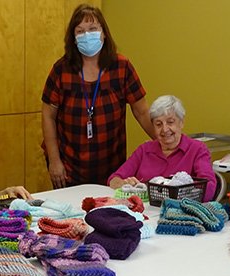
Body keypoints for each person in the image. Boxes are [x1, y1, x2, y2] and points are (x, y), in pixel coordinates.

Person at [41, 3, 154, 189]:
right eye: (80, 31)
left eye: (92, 29)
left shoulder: (121, 66)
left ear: (103, 33)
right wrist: (54, 161)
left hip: (112, 168)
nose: (87, 35)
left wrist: (166, 143)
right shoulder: (61, 69)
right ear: (73, 38)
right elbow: (48, 116)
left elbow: (142, 112)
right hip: (69, 167)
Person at [107, 95, 216, 202]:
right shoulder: (144, 150)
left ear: (181, 123)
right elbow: (113, 180)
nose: (165, 129)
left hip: (179, 212)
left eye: (170, 122)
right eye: (158, 124)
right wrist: (123, 184)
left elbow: (209, 188)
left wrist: (179, 193)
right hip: (144, 212)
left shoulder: (197, 149)